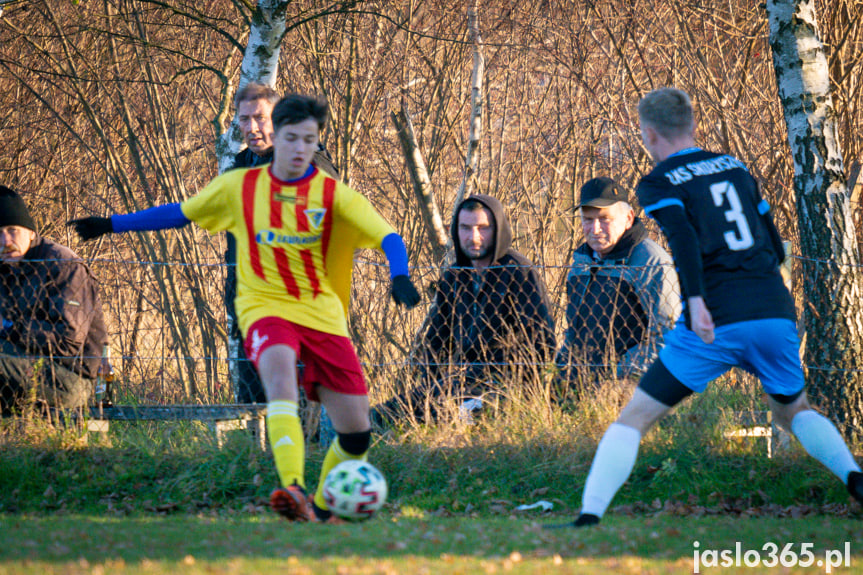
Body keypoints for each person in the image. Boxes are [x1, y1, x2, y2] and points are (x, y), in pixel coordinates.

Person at [69, 94, 421, 523]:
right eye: (290, 138)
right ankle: (293, 486)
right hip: (264, 307)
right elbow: (183, 214)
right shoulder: (240, 186)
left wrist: (399, 275)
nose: (297, 148)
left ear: (315, 143)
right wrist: (111, 223)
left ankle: (323, 508)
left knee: (357, 433)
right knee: (280, 382)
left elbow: (388, 236)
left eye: (307, 140)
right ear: (279, 135)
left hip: (323, 314)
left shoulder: (331, 195)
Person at [558, 87, 862, 529]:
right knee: (794, 411)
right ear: (693, 125)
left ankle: (588, 515)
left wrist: (697, 301)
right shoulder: (735, 167)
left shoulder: (658, 182)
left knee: (635, 419)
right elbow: (774, 243)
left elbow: (682, 241)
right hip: (773, 309)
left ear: (648, 134)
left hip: (714, 319)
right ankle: (853, 474)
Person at [378, 195, 556, 423]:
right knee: (387, 413)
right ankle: (330, 437)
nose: (474, 237)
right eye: (466, 228)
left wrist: (517, 387)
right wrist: (431, 384)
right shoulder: (455, 275)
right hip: (459, 381)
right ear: (456, 230)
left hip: (507, 387)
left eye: (483, 228)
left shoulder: (519, 272)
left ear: (497, 228)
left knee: (452, 413)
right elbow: (436, 341)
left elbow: (543, 345)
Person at [226, 83, 339, 404]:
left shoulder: (310, 162)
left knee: (302, 411)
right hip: (250, 308)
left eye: (261, 118)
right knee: (252, 410)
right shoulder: (240, 165)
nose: (252, 127)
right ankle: (254, 457)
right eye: (244, 119)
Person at [555, 177, 679, 391]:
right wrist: (559, 373)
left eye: (604, 219)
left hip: (632, 386)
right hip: (577, 386)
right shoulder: (581, 261)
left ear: (629, 218)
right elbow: (573, 331)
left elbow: (670, 335)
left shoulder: (651, 262)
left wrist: (621, 379)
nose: (595, 228)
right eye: (587, 219)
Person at [0, 186, 108, 415]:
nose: (5, 240)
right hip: (22, 366)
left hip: (74, 380)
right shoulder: (4, 267)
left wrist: (10, 327)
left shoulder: (63, 266)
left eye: (12, 230)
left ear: (30, 231)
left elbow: (68, 343)